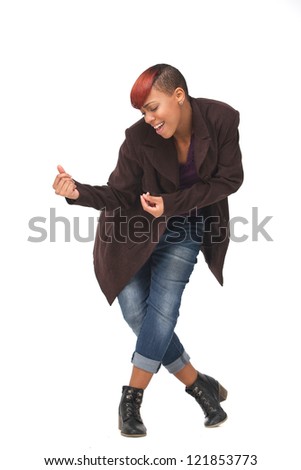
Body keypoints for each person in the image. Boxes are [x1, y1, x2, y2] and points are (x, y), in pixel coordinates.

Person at [52, 64, 243, 438]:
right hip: (130, 233)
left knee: (164, 307)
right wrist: (78, 193)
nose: (149, 118)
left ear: (178, 96)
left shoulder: (221, 118)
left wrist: (172, 205)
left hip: (186, 226)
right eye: (143, 112)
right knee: (140, 313)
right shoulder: (138, 138)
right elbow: (120, 194)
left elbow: (229, 179)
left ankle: (131, 399)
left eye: (153, 107)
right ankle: (198, 383)